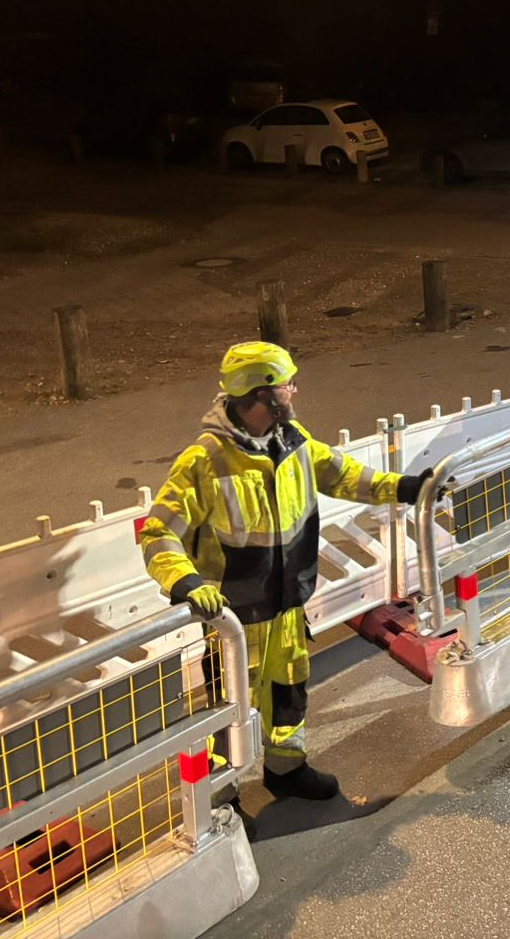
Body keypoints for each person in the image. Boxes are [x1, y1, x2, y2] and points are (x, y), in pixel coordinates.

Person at [136, 342, 432, 804]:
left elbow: (345, 475)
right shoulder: (203, 461)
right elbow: (157, 534)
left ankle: (286, 770)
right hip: (234, 619)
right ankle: (218, 799)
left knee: (288, 690)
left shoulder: (293, 442)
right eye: (287, 383)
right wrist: (184, 581)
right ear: (263, 395)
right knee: (228, 707)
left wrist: (407, 487)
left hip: (289, 605)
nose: (294, 391)